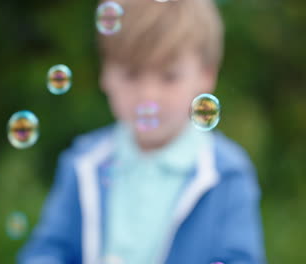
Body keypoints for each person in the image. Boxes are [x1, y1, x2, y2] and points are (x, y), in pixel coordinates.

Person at [18, 0, 266, 263]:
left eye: (169, 76)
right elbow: (46, 252)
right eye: (131, 75)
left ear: (206, 75)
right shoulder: (83, 164)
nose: (149, 95)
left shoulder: (225, 174)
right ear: (105, 74)